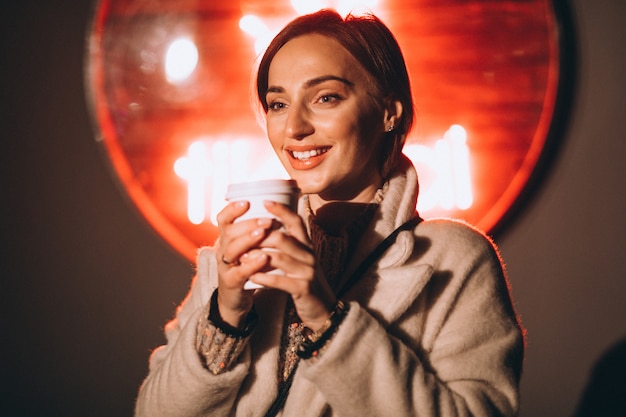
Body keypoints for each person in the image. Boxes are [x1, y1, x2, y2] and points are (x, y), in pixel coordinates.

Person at [135, 9, 525, 417]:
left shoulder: (454, 258)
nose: (294, 127)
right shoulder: (236, 254)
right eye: (278, 103)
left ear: (389, 112)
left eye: (326, 98)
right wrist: (226, 315)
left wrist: (327, 319)